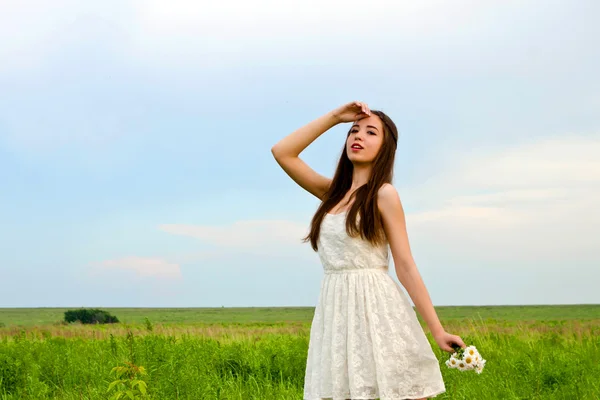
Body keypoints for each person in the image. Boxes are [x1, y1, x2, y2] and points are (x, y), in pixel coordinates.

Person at [271, 101, 466, 400]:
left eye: (370, 132)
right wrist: (335, 117)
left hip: (378, 311)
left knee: (402, 393)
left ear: (386, 148)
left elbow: (405, 264)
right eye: (353, 131)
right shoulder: (331, 194)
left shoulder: (384, 195)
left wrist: (437, 330)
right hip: (336, 313)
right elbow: (282, 152)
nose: (358, 136)